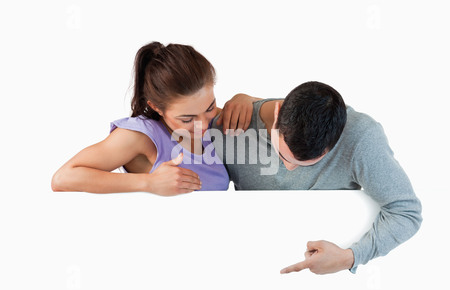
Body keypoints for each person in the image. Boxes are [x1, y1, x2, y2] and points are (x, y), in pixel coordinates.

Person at [213, 81, 423, 274]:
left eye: (306, 162)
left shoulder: (361, 138)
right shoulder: (235, 126)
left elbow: (406, 212)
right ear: (278, 113)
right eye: (283, 153)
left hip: (330, 278)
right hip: (251, 266)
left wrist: (348, 258)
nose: (289, 166)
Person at [52, 42, 251, 196]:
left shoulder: (210, 117)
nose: (204, 123)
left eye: (209, 107)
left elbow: (281, 112)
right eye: (187, 119)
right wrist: (149, 183)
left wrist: (245, 99)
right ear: (157, 108)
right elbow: (62, 178)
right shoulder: (141, 136)